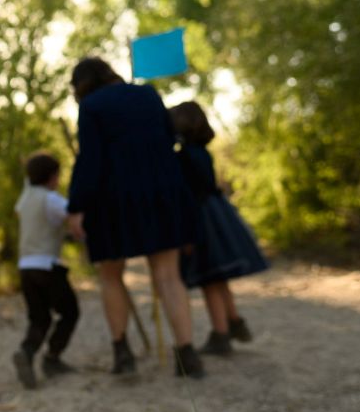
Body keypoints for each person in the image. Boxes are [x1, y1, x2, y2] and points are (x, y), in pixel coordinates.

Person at [65, 57, 205, 379]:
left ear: (82, 84)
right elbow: (169, 139)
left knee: (111, 274)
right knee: (169, 275)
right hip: (162, 192)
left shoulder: (91, 107)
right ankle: (187, 353)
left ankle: (123, 353)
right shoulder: (148, 94)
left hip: (113, 199)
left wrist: (77, 207)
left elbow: (91, 160)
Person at [169, 101, 268, 355]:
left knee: (210, 278)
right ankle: (233, 321)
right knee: (218, 277)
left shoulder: (184, 157)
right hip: (215, 213)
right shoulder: (202, 151)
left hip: (201, 218)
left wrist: (187, 233)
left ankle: (221, 334)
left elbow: (189, 194)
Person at [11, 152, 80, 389]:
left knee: (39, 317)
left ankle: (27, 352)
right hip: (46, 266)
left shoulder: (26, 197)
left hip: (25, 267)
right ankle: (52, 357)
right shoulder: (50, 199)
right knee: (70, 311)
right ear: (53, 176)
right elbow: (73, 214)